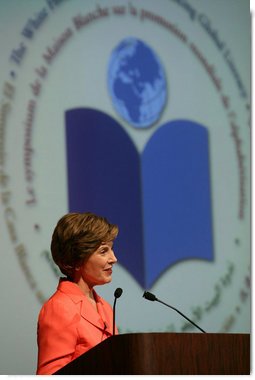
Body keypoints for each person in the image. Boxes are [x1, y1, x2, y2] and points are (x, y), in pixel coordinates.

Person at [36, 212, 119, 375]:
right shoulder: (59, 309)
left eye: (111, 249)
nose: (113, 258)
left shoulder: (105, 307)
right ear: (77, 259)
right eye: (103, 251)